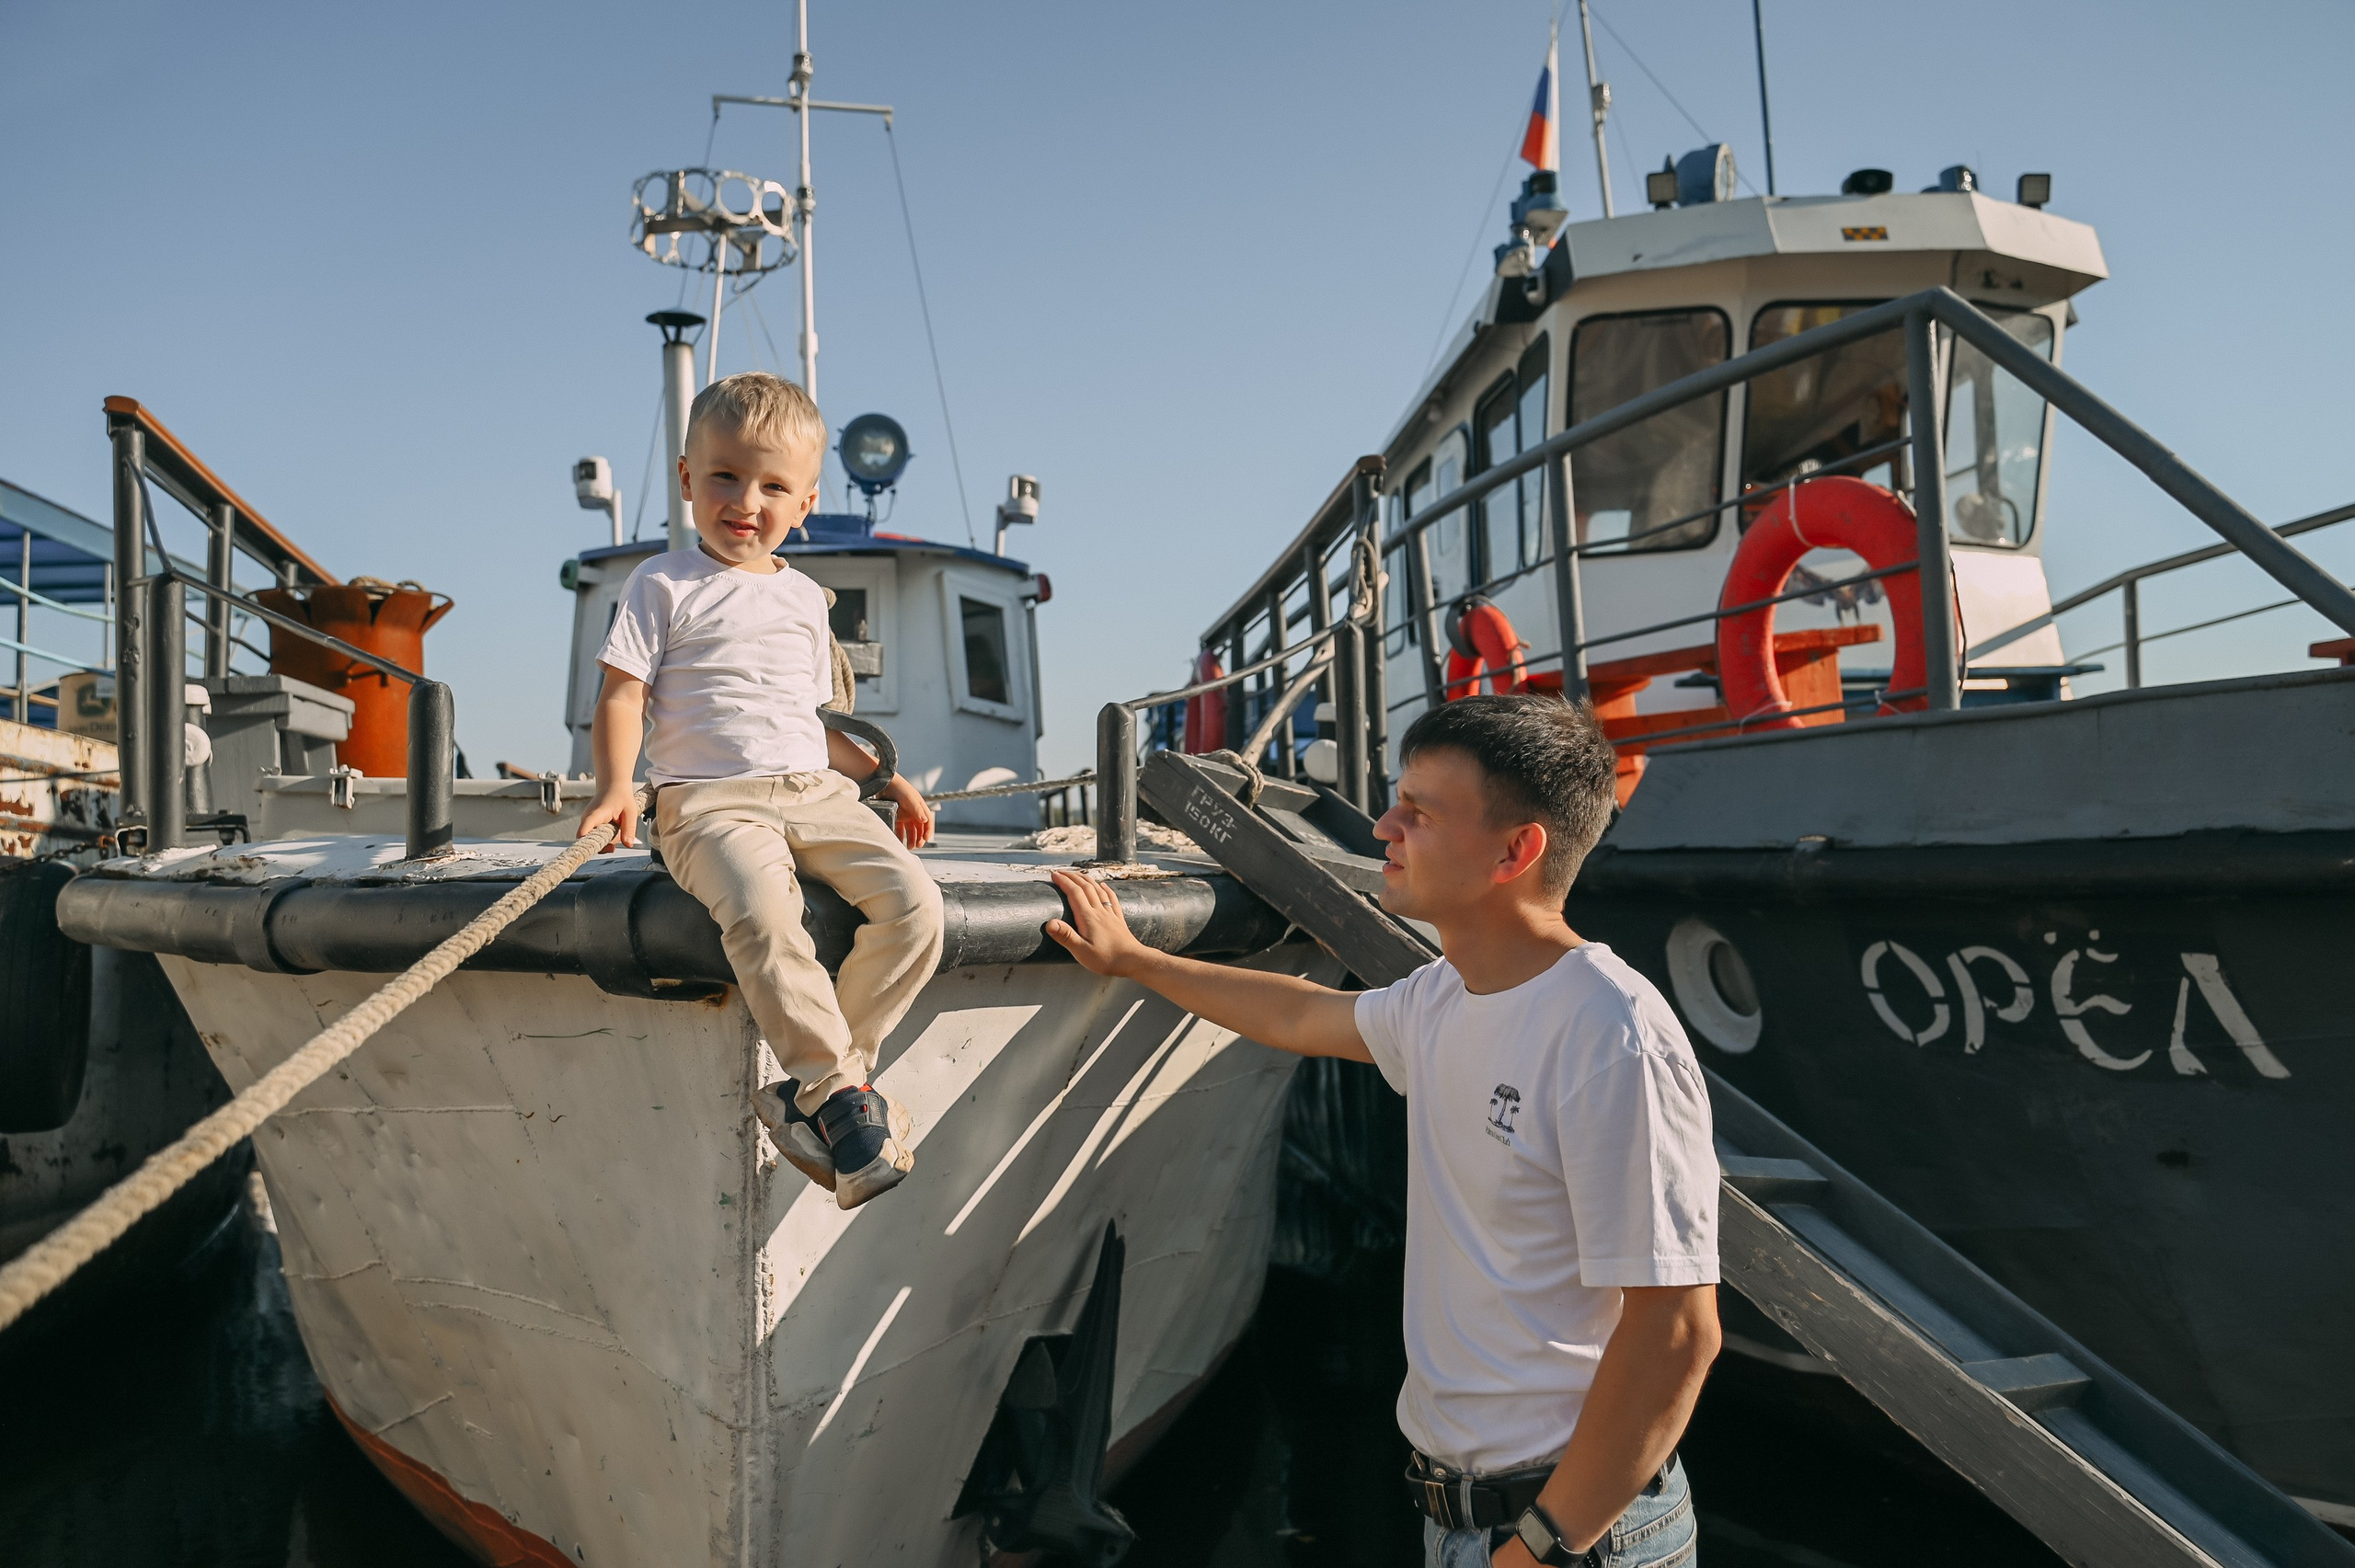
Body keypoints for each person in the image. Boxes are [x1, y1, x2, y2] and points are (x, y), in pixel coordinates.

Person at [1047, 695, 1720, 1567]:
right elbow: (1304, 1013)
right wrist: (1136, 958)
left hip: (1575, 1532)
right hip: (1466, 1518)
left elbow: (1677, 1330)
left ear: (1516, 851)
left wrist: (1541, 1547)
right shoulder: (1446, 995)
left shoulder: (1609, 1032)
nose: (1382, 824)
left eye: (1421, 811)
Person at [578, 372, 944, 1211]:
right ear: (686, 480)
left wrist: (892, 781)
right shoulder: (659, 585)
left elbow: (807, 724)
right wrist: (613, 788)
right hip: (708, 802)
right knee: (764, 912)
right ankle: (843, 1099)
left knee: (918, 910)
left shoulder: (807, 603)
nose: (747, 500)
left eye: (773, 485)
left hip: (816, 790)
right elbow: (623, 694)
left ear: (806, 501)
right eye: (725, 477)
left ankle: (816, 1093)